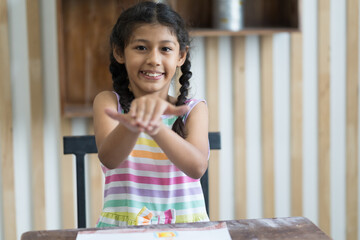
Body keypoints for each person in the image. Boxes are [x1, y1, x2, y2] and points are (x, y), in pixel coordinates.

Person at [93, 1, 209, 227]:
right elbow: (110, 158)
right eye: (141, 47)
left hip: (185, 229)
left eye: (165, 49)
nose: (154, 59)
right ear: (119, 52)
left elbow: (197, 167)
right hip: (122, 230)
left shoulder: (193, 109)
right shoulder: (108, 102)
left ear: (181, 56)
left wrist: (155, 126)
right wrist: (134, 123)